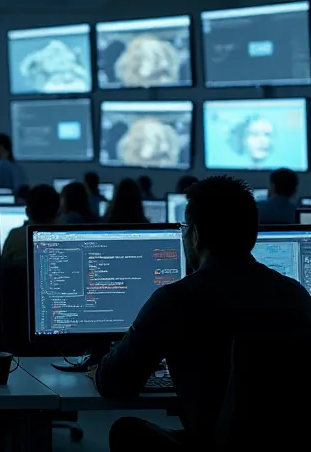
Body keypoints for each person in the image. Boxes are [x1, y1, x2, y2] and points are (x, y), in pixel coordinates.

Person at [95, 176, 311, 450]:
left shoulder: (175, 300)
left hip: (213, 443)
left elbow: (115, 382)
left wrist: (98, 366)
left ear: (195, 235)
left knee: (126, 431)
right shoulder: (296, 295)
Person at [2, 184, 60, 268]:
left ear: (27, 211)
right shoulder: (66, 238)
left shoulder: (15, 236)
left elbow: (3, 266)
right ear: (58, 213)